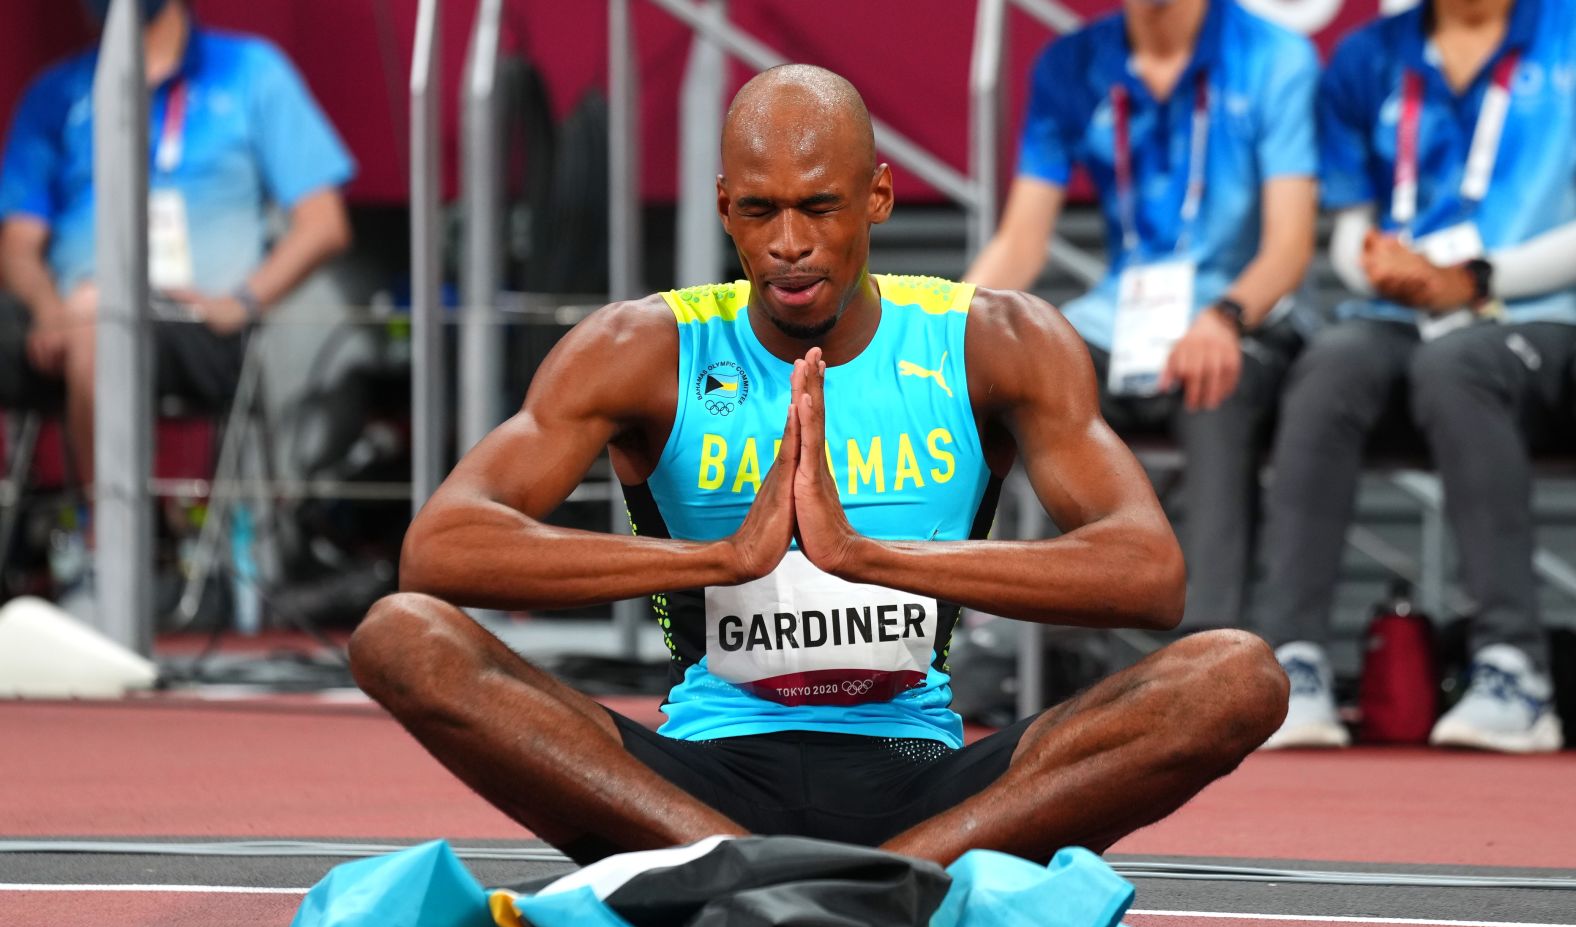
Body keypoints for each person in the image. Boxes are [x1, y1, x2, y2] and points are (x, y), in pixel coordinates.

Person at [349, 65, 1288, 867]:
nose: (788, 243)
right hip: (695, 783)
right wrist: (718, 562)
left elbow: (1150, 574)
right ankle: (744, 865)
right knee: (402, 637)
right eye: (758, 211)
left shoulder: (992, 340)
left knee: (1236, 676)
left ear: (877, 197)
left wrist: (867, 555)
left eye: (818, 207)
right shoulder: (643, 346)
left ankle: (889, 874)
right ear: (725, 207)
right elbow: (440, 550)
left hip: (929, 786)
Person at [1261, 0, 1576, 753]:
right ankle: (1292, 662)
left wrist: (1477, 278)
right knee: (1328, 365)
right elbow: (1350, 229)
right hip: (1405, 311)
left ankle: (1513, 666)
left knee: (1457, 366)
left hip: (1544, 312)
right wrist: (1380, 266)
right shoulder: (1370, 57)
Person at [966, 0, 1319, 632]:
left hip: (1237, 314)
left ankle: (1211, 647)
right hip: (1119, 321)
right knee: (1016, 377)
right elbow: (1021, 241)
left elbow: (1289, 245)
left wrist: (1226, 316)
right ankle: (1008, 639)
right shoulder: (1071, 64)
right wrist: (932, 327)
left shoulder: (1275, 57)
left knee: (1213, 387)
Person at [0, 0, 354, 494]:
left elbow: (324, 225)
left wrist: (242, 301)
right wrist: (46, 307)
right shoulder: (56, 93)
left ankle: (109, 546)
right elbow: (17, 243)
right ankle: (119, 532)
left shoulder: (251, 71)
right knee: (92, 314)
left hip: (196, 323)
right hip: (64, 320)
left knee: (100, 318)